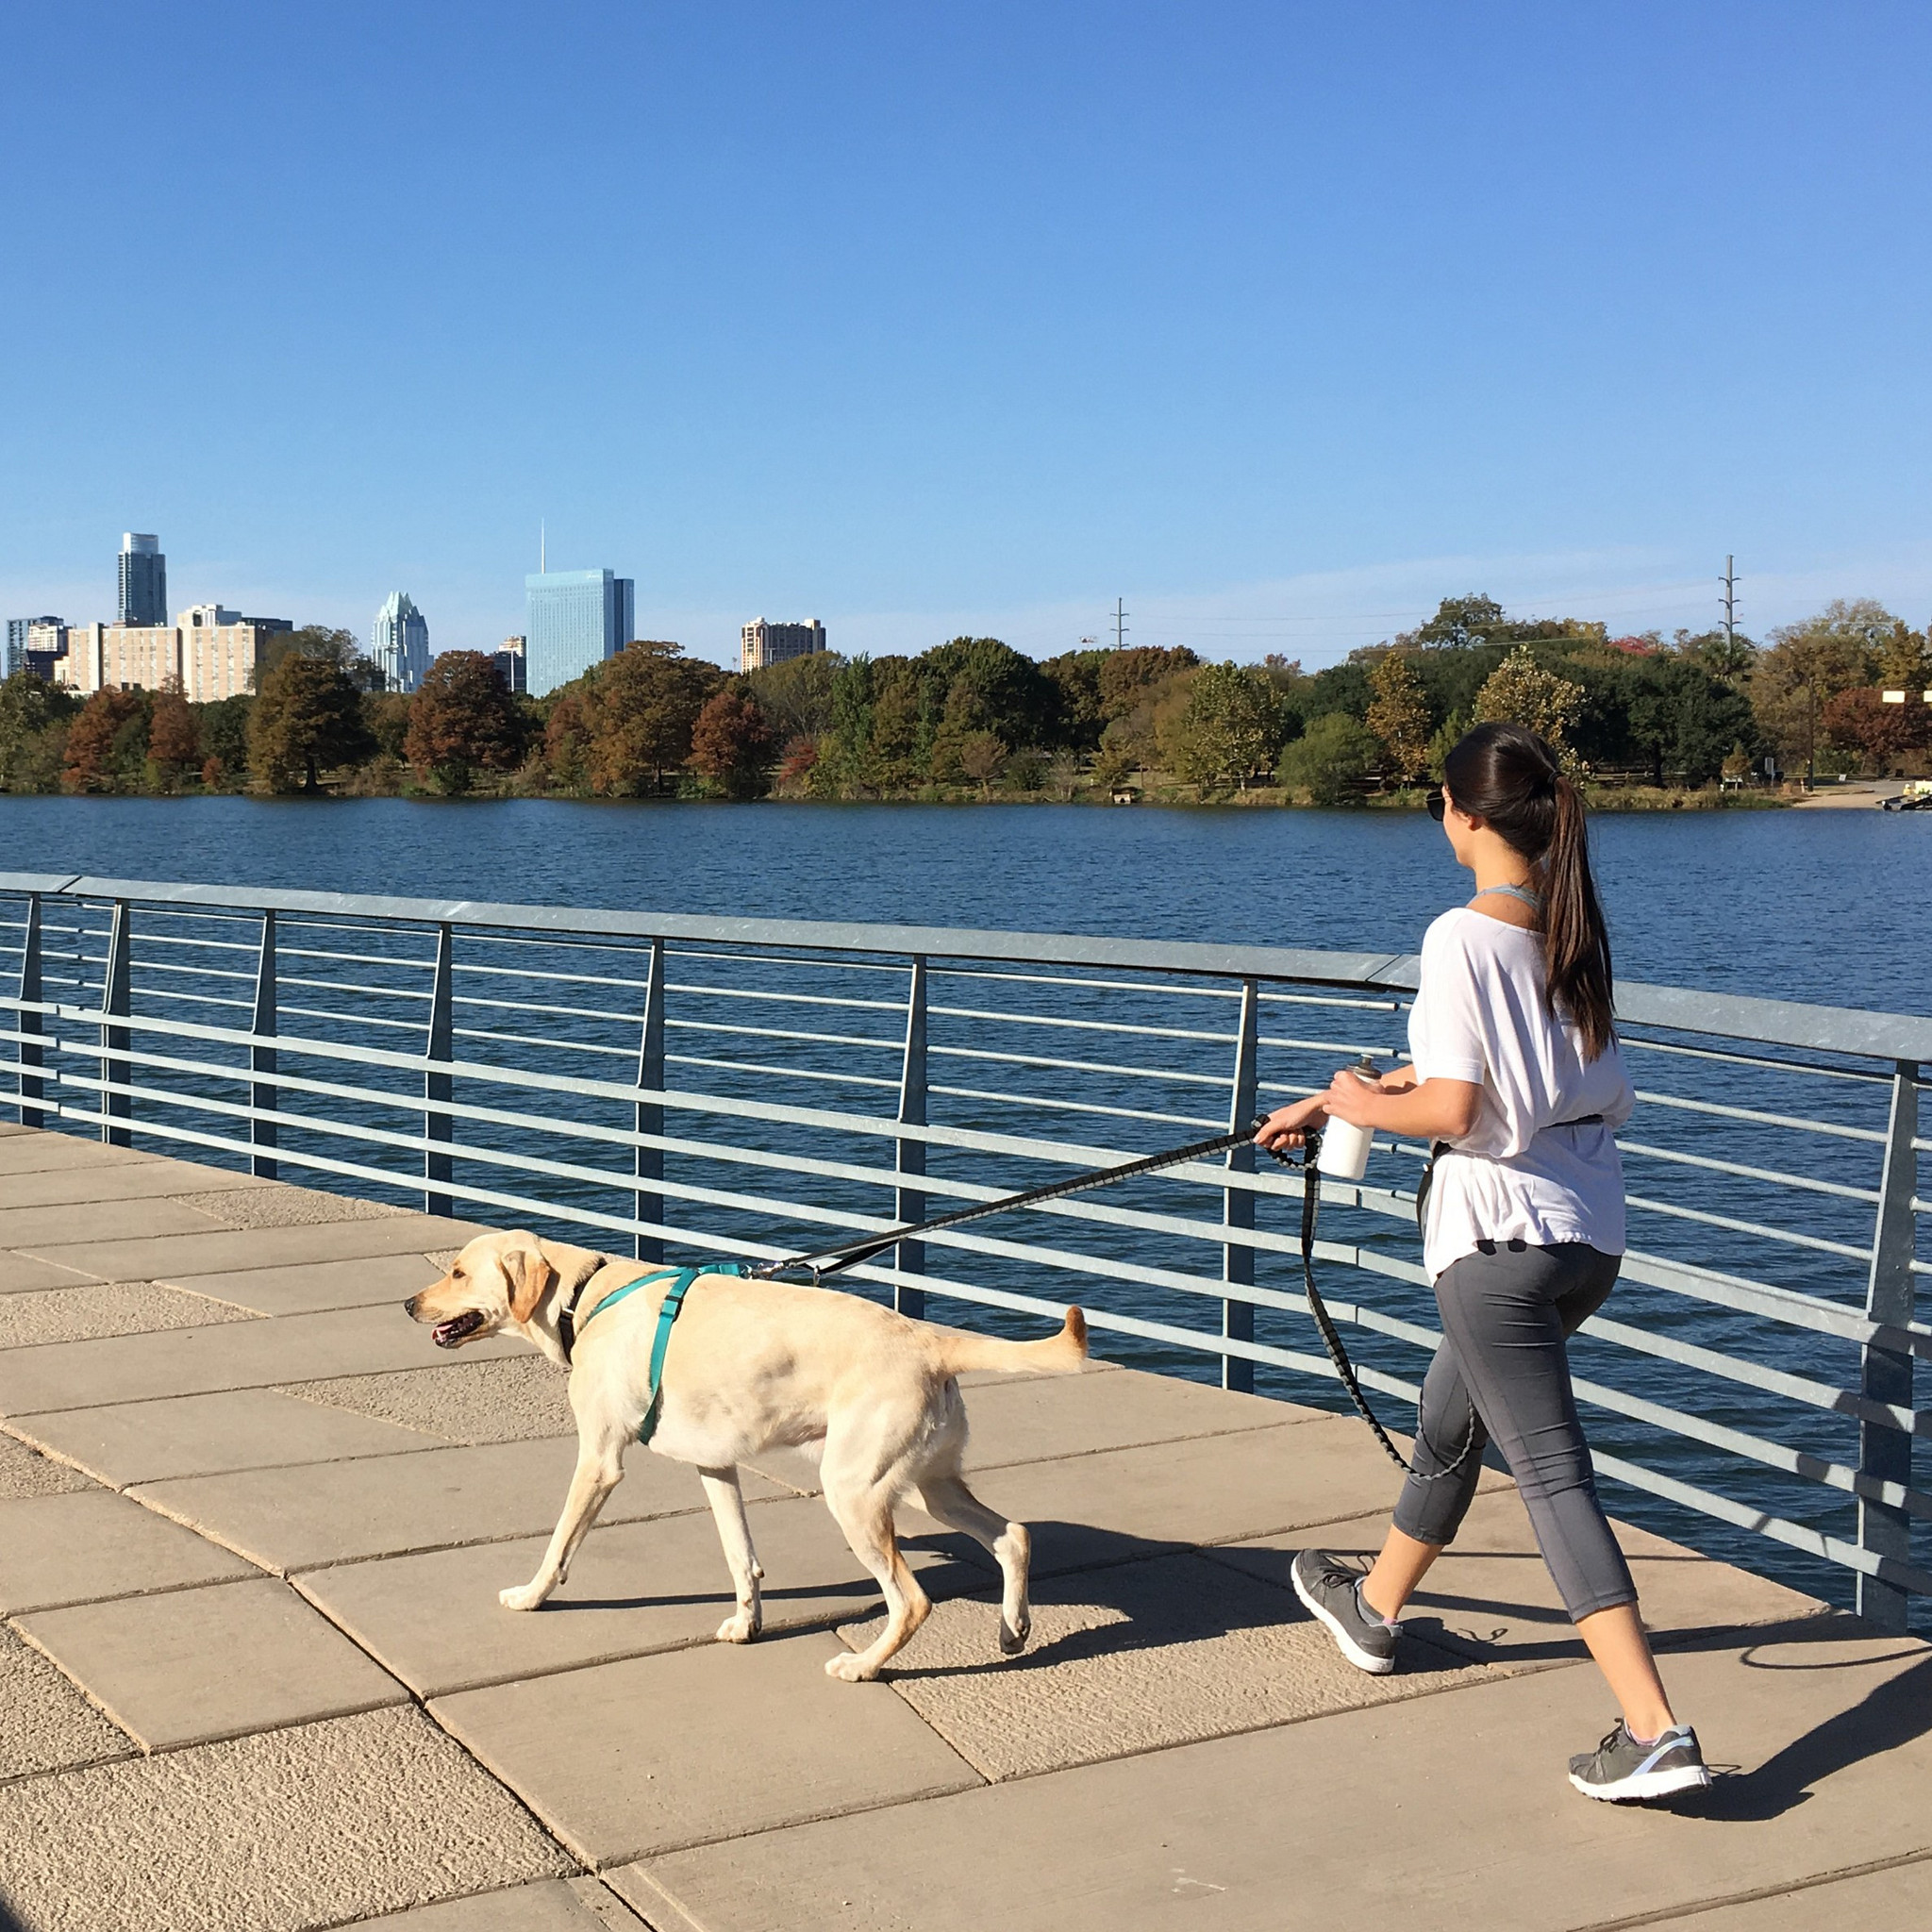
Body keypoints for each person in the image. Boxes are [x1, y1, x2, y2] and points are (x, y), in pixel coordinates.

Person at [1255, 721, 1709, 1804]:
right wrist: (1335, 1098)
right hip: (1583, 1235)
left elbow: (1455, 1105)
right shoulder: (1565, 922)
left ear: (1461, 815)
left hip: (1496, 1241)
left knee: (1550, 1474)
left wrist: (1362, 1102)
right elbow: (1501, 1063)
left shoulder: (1459, 933)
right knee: (1448, 1419)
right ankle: (1371, 1607)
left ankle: (1651, 1728)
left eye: (1438, 806)